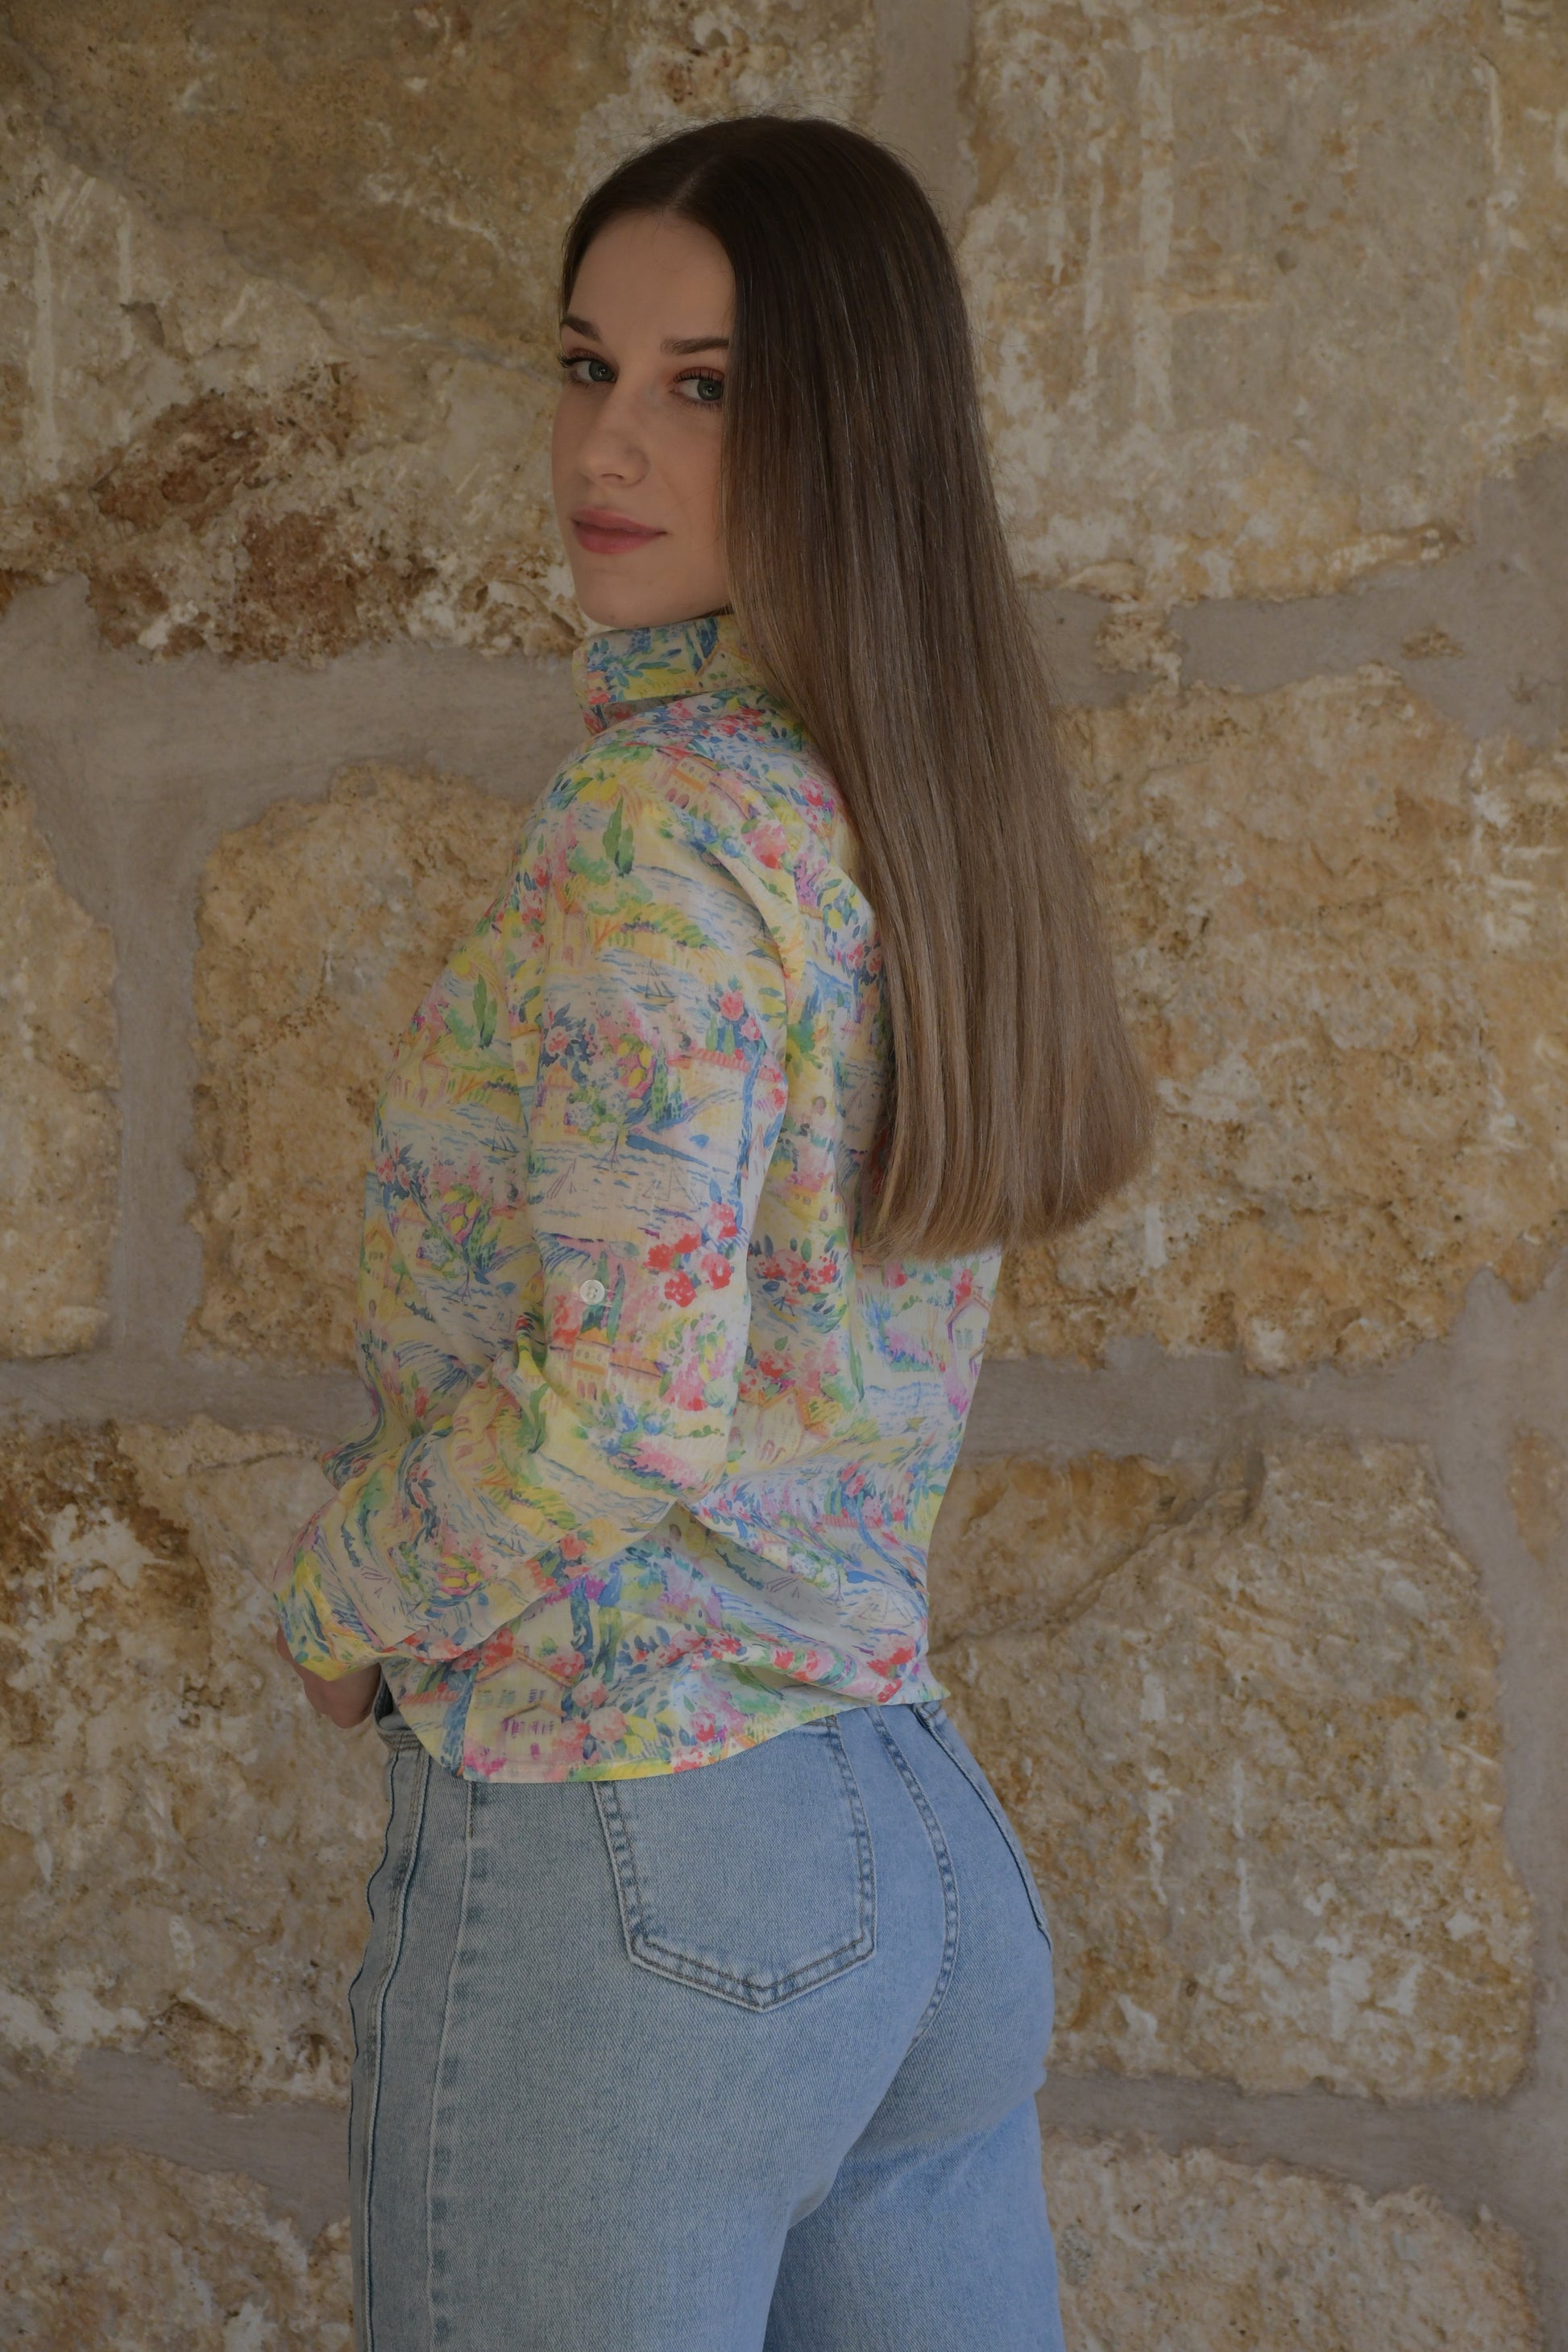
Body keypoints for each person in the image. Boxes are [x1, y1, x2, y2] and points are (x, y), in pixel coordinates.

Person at [272, 113, 1147, 2352]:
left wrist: (342, 1599)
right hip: (913, 1857)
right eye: (588, 365)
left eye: (704, 386)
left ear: (849, 425)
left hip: (640, 1855)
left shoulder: (659, 825)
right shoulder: (909, 815)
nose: (608, 442)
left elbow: (629, 1402)